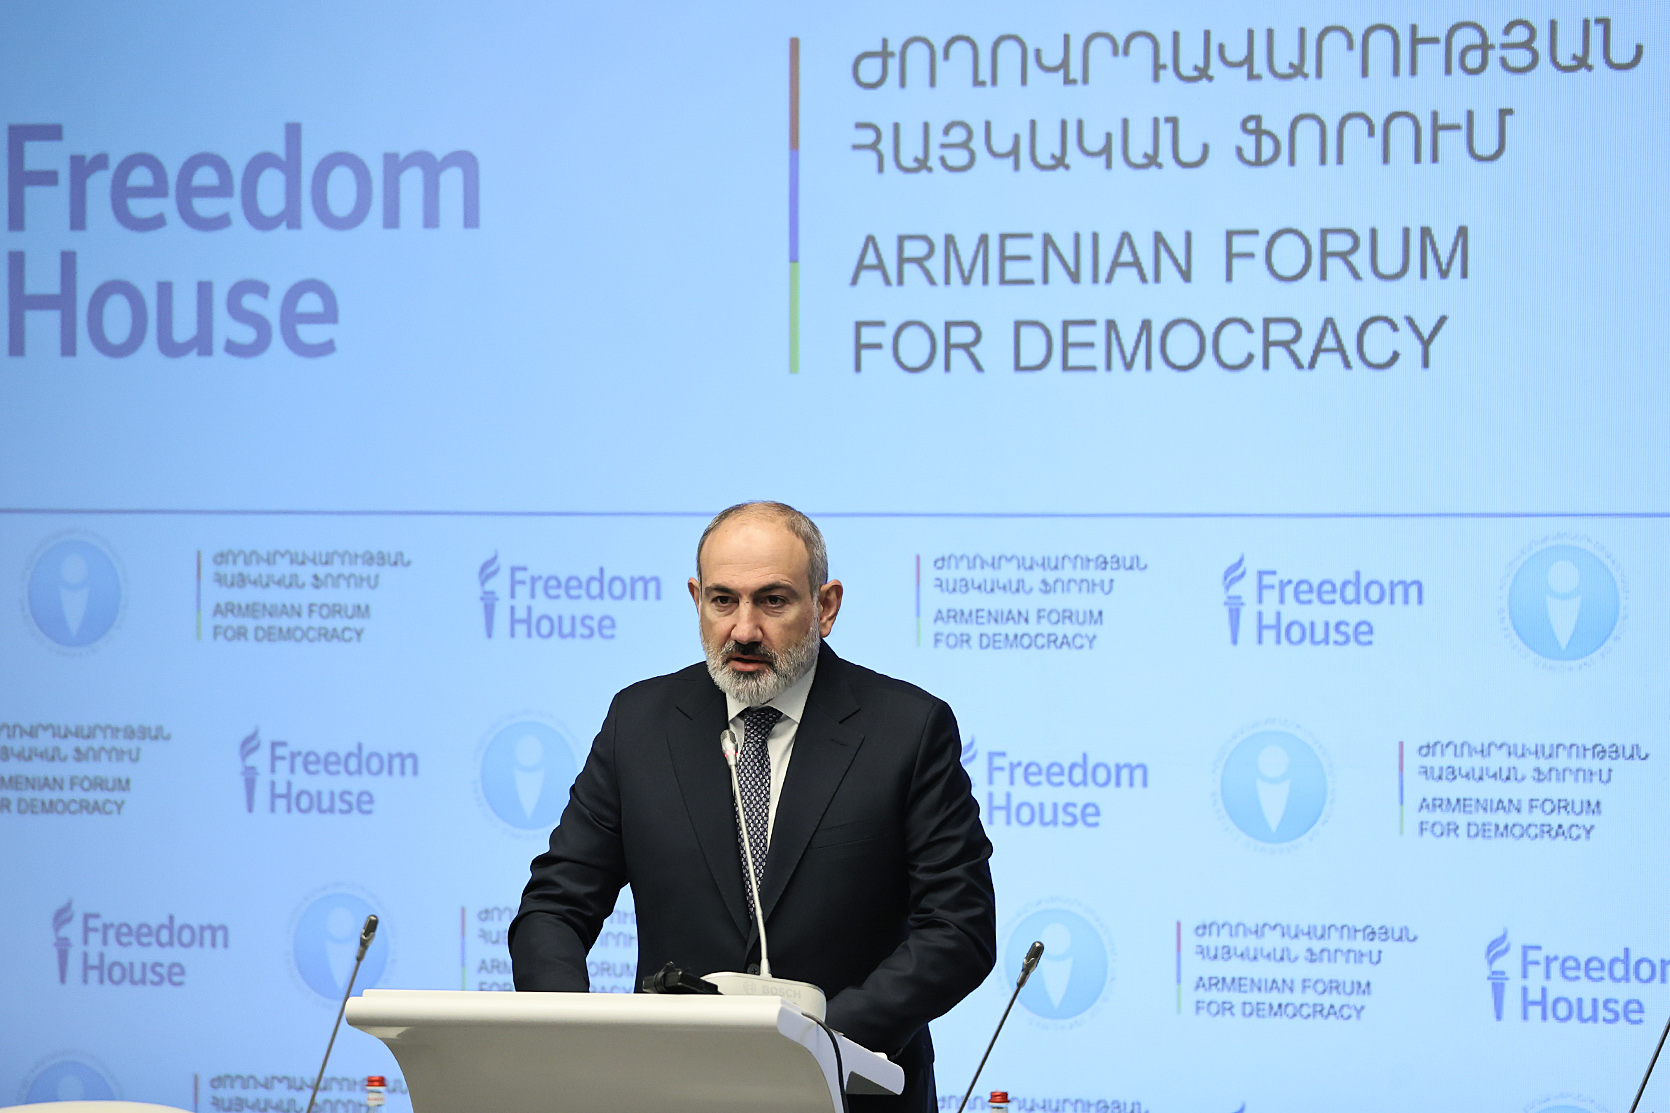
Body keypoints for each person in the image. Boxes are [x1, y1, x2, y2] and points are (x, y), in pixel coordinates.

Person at [510, 501, 996, 1112]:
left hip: (849, 1090)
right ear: (697, 600)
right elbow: (554, 908)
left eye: (772, 601)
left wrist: (816, 1043)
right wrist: (575, 1042)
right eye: (723, 601)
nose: (743, 630)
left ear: (825, 607)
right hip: (670, 1090)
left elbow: (958, 927)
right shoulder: (639, 724)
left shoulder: (907, 729)